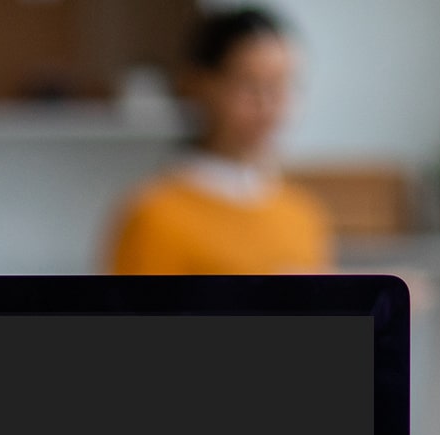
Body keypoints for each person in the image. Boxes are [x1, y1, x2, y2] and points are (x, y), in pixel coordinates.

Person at [105, 6, 331, 276]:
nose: (267, 104)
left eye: (280, 85)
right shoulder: (155, 217)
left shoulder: (303, 215)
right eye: (249, 84)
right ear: (199, 84)